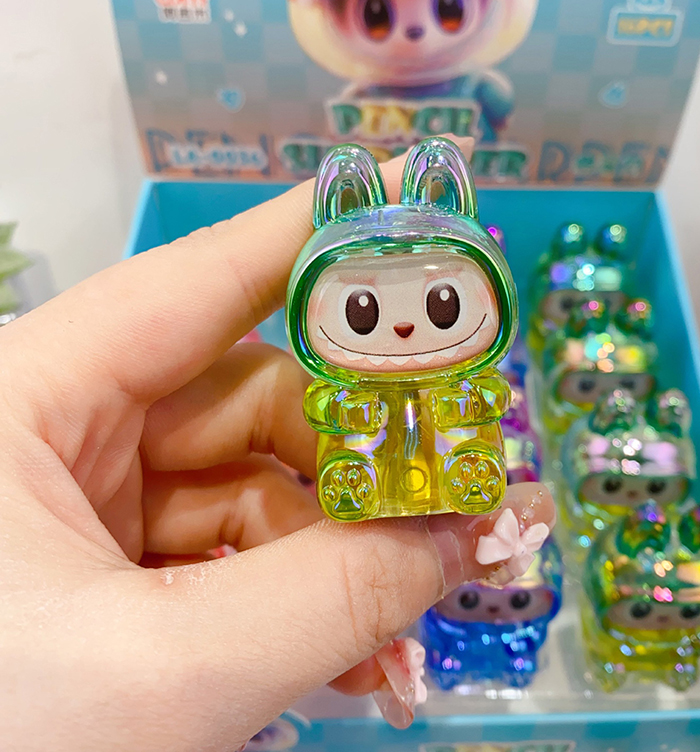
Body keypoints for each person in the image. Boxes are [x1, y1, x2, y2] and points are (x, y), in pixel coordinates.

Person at [0, 136, 554, 751]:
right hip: (370, 450)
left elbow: (490, 399)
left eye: (444, 306)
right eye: (362, 314)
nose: (402, 329)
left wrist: (471, 404)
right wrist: (347, 413)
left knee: (460, 453)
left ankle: (461, 473)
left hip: (445, 443)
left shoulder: (466, 375)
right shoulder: (339, 383)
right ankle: (357, 483)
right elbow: (318, 405)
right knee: (350, 458)